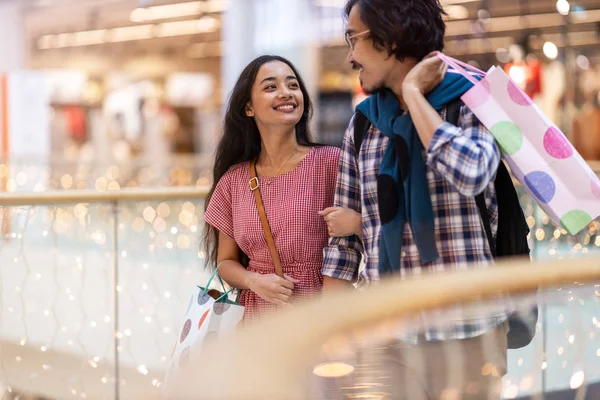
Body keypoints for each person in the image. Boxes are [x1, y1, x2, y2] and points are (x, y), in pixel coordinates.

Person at [321, 0, 509, 398]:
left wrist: (415, 96)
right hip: (385, 332)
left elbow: (471, 172)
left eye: (354, 38)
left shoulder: (472, 99)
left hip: (467, 330)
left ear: (390, 36)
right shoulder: (365, 123)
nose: (350, 55)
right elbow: (344, 246)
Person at [203, 55, 341, 323]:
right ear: (248, 108)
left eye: (293, 85)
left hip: (320, 311)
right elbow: (225, 261)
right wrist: (253, 280)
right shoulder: (234, 179)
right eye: (270, 87)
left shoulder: (330, 163)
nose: (285, 93)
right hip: (257, 319)